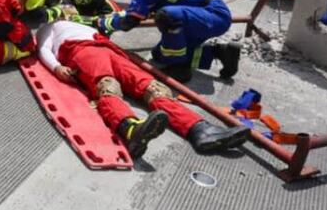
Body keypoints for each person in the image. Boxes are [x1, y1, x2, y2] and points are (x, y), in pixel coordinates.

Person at [38, 19, 250, 158]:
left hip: (110, 50)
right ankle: (130, 129)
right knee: (107, 86)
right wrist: (56, 67)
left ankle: (200, 130)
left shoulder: (83, 24)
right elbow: (43, 49)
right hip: (81, 51)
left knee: (152, 88)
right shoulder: (50, 26)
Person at [97, 0, 240, 83]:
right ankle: (221, 52)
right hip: (206, 15)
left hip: (214, 16)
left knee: (166, 16)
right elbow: (134, 13)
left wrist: (102, 23)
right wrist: (111, 19)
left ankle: (180, 69)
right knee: (159, 55)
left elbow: (129, 22)